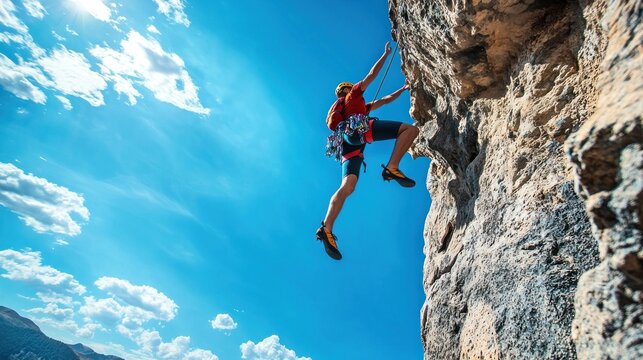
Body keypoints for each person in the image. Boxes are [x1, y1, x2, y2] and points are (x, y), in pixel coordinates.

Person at [316, 41, 420, 260]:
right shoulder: (353, 96)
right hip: (358, 132)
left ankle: (327, 227)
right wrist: (385, 54)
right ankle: (392, 167)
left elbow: (384, 100)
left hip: (348, 146)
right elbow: (372, 75)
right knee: (409, 131)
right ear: (347, 88)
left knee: (347, 187)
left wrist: (402, 89)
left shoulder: (355, 106)